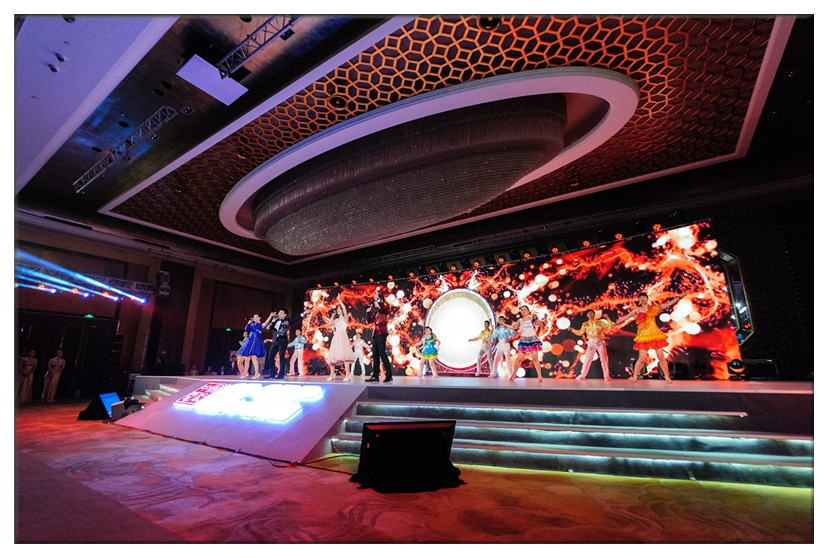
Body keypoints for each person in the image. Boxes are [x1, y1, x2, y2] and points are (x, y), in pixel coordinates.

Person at [615, 293, 681, 383]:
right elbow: (626, 317)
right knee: (642, 359)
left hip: (655, 335)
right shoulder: (637, 310)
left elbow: (667, 305)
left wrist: (678, 298)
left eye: (644, 297)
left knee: (661, 357)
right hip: (644, 336)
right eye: (641, 298)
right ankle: (634, 376)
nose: (642, 299)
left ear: (647, 298)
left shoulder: (653, 308)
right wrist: (615, 323)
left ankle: (667, 376)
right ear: (639, 300)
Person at [263, 307, 307, 380]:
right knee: (270, 357)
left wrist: (303, 313)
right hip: (275, 341)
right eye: (279, 312)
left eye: (281, 313)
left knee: (281, 357)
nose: (279, 313)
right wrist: (272, 319)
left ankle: (281, 374)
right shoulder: (275, 320)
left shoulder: (287, 321)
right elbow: (268, 328)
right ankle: (272, 374)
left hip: (283, 341)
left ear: (284, 315)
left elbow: (295, 319)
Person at [569, 310, 614, 381]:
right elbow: (580, 332)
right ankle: (582, 375)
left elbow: (610, 327)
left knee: (604, 359)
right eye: (588, 313)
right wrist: (573, 330)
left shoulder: (600, 322)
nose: (590, 314)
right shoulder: (585, 324)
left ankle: (606, 375)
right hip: (591, 342)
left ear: (594, 314)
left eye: (591, 313)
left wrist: (608, 318)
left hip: (600, 341)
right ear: (587, 315)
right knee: (587, 359)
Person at [510, 306, 545, 382]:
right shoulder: (520, 320)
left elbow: (543, 324)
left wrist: (545, 318)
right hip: (524, 341)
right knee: (519, 359)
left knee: (535, 359)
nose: (523, 311)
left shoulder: (532, 319)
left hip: (532, 340)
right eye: (522, 310)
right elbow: (514, 327)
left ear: (528, 311)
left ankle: (539, 375)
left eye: (525, 309)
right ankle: (514, 374)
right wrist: (504, 325)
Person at [365, 292, 394, 383]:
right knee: (375, 355)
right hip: (375, 334)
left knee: (382, 353)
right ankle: (375, 376)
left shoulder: (385, 309)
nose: (375, 302)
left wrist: (378, 301)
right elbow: (369, 321)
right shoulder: (377, 312)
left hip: (382, 333)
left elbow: (385, 309)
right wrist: (368, 311)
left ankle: (389, 375)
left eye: (377, 300)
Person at [326, 299, 355, 381]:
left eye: (339, 309)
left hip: (342, 338)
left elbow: (345, 308)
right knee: (332, 356)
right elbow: (329, 324)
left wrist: (339, 300)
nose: (338, 310)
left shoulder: (345, 318)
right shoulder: (336, 320)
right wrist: (332, 316)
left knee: (345, 356)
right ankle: (332, 374)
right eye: (337, 309)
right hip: (336, 338)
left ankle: (347, 375)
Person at [237, 314, 267, 379]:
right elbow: (246, 329)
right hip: (250, 340)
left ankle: (257, 373)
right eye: (254, 317)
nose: (254, 318)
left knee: (254, 358)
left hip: (255, 340)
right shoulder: (252, 325)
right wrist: (249, 322)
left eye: (256, 317)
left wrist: (270, 316)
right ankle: (245, 373)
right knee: (247, 358)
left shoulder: (260, 325)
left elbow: (266, 323)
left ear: (259, 318)